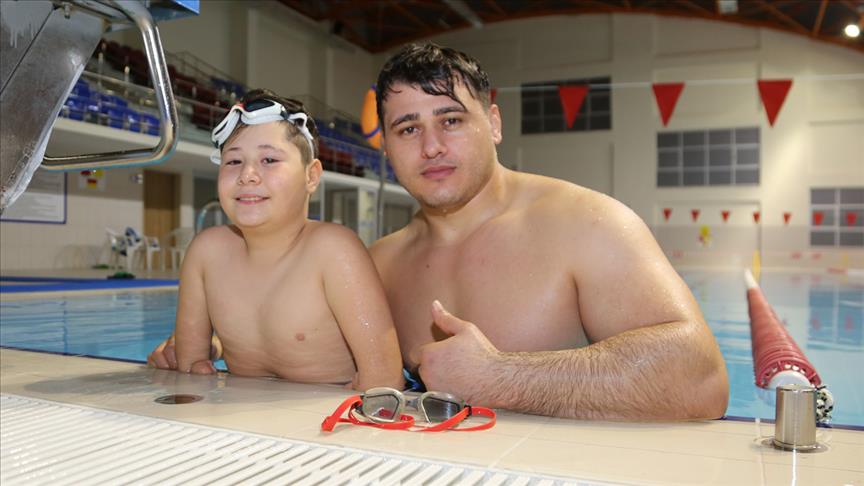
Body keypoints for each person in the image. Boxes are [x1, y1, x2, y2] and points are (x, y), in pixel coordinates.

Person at [153, 45, 729, 420]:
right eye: (408, 128)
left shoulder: (585, 224)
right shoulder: (379, 263)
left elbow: (701, 379)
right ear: (386, 146)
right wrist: (221, 343)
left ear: (493, 122)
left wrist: (503, 377)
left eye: (451, 120)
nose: (431, 146)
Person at [151, 88, 403, 391]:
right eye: (233, 161)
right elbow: (190, 370)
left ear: (311, 176)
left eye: (269, 159)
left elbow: (385, 381)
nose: (247, 174)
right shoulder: (206, 253)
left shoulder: (333, 251)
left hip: (327, 415)